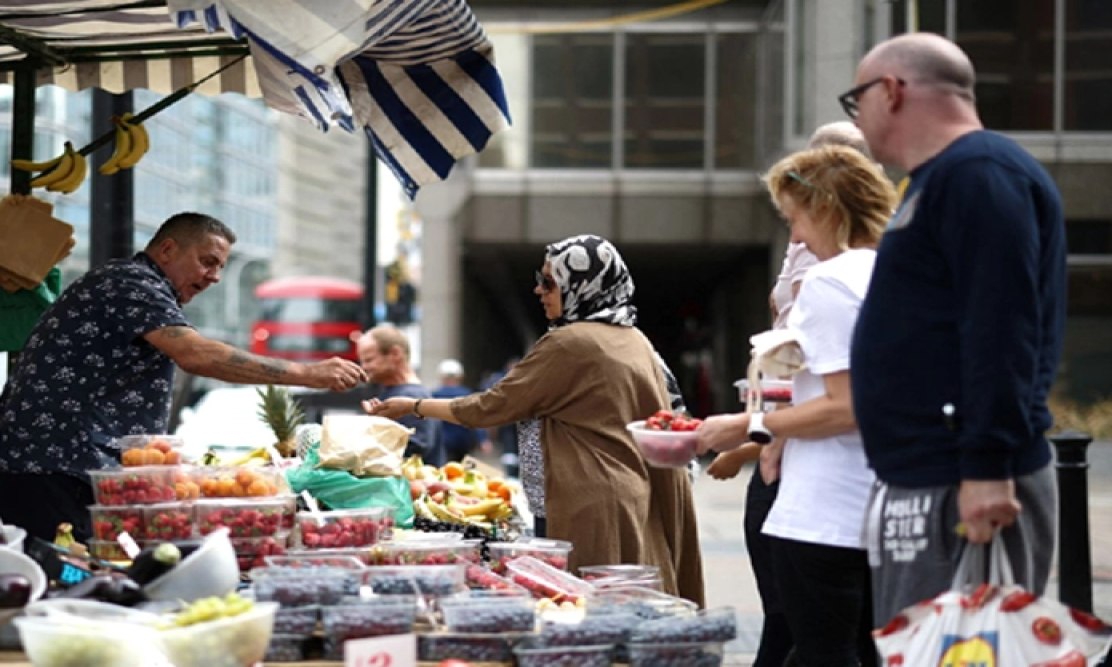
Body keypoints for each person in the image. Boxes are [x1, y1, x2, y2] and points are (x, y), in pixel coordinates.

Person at [846, 33, 1065, 625]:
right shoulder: (947, 179)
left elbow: (1002, 325)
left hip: (962, 480)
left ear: (891, 91)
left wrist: (986, 465)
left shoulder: (980, 175)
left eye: (856, 100)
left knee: (966, 651)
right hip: (931, 474)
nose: (857, 119)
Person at [0, 212, 367, 543]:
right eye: (207, 261)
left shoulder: (140, 286)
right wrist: (309, 373)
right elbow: (196, 354)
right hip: (50, 466)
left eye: (220, 267)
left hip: (60, 464)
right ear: (167, 250)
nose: (214, 276)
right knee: (68, 573)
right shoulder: (132, 283)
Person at [365, 235, 705, 604]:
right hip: (622, 494)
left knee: (583, 614)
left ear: (581, 286)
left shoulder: (571, 343)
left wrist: (413, 406)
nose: (538, 290)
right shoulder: (631, 337)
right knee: (617, 613)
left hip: (586, 501)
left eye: (549, 282)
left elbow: (489, 408)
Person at [697, 146, 896, 666]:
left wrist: (745, 425)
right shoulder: (901, 273)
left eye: (795, 219)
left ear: (827, 208)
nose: (796, 239)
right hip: (882, 504)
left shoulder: (829, 282)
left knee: (818, 652)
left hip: (823, 512)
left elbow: (844, 407)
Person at [357, 325, 438, 462]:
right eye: (362, 361)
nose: (364, 367)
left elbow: (414, 450)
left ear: (395, 354)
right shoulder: (401, 392)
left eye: (369, 360)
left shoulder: (411, 395)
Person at [430, 359, 487, 464]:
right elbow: (476, 418)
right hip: (464, 441)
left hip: (443, 442)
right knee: (465, 474)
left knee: (446, 472)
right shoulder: (467, 394)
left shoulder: (434, 395)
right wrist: (482, 440)